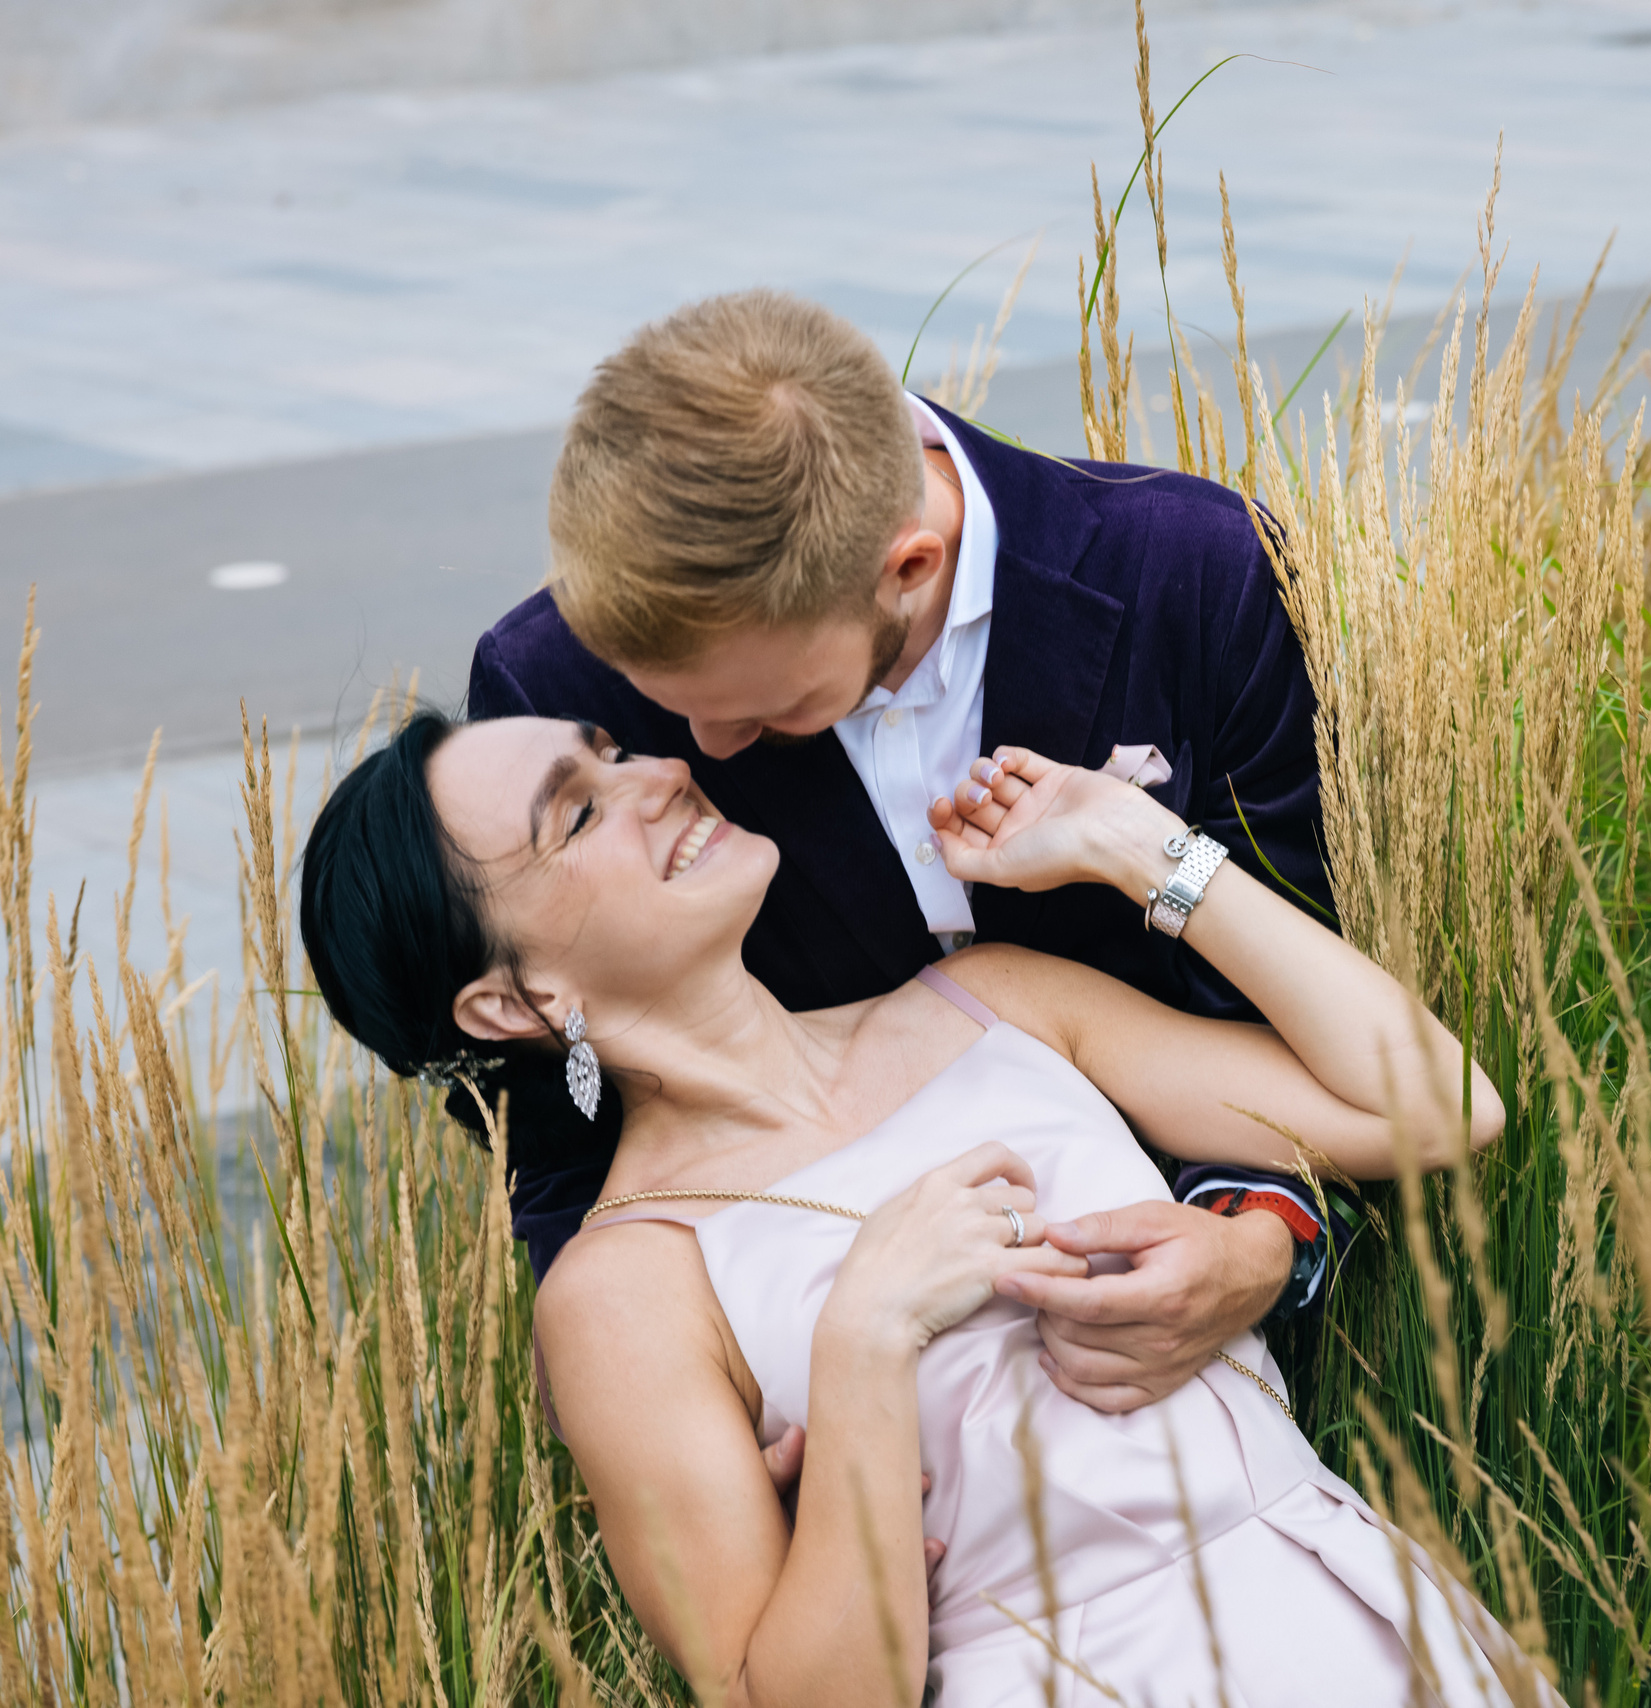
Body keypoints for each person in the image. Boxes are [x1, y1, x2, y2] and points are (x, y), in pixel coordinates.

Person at [298, 712, 1538, 1707]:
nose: (660, 776)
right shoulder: (624, 1290)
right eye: (578, 811)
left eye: (617, 752)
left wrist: (1138, 848)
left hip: (1349, 1622)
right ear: (513, 1001)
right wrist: (864, 1339)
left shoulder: (992, 1003)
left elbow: (1439, 1105)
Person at [471, 289, 1338, 1414]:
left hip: (1197, 1377)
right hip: (823, 1391)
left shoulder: (1196, 570)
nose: (696, 755)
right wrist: (693, 1422)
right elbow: (561, 1139)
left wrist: (1256, 1247)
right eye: (668, 706)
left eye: (766, 709)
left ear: (910, 569)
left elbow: (1290, 998)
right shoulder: (548, 683)